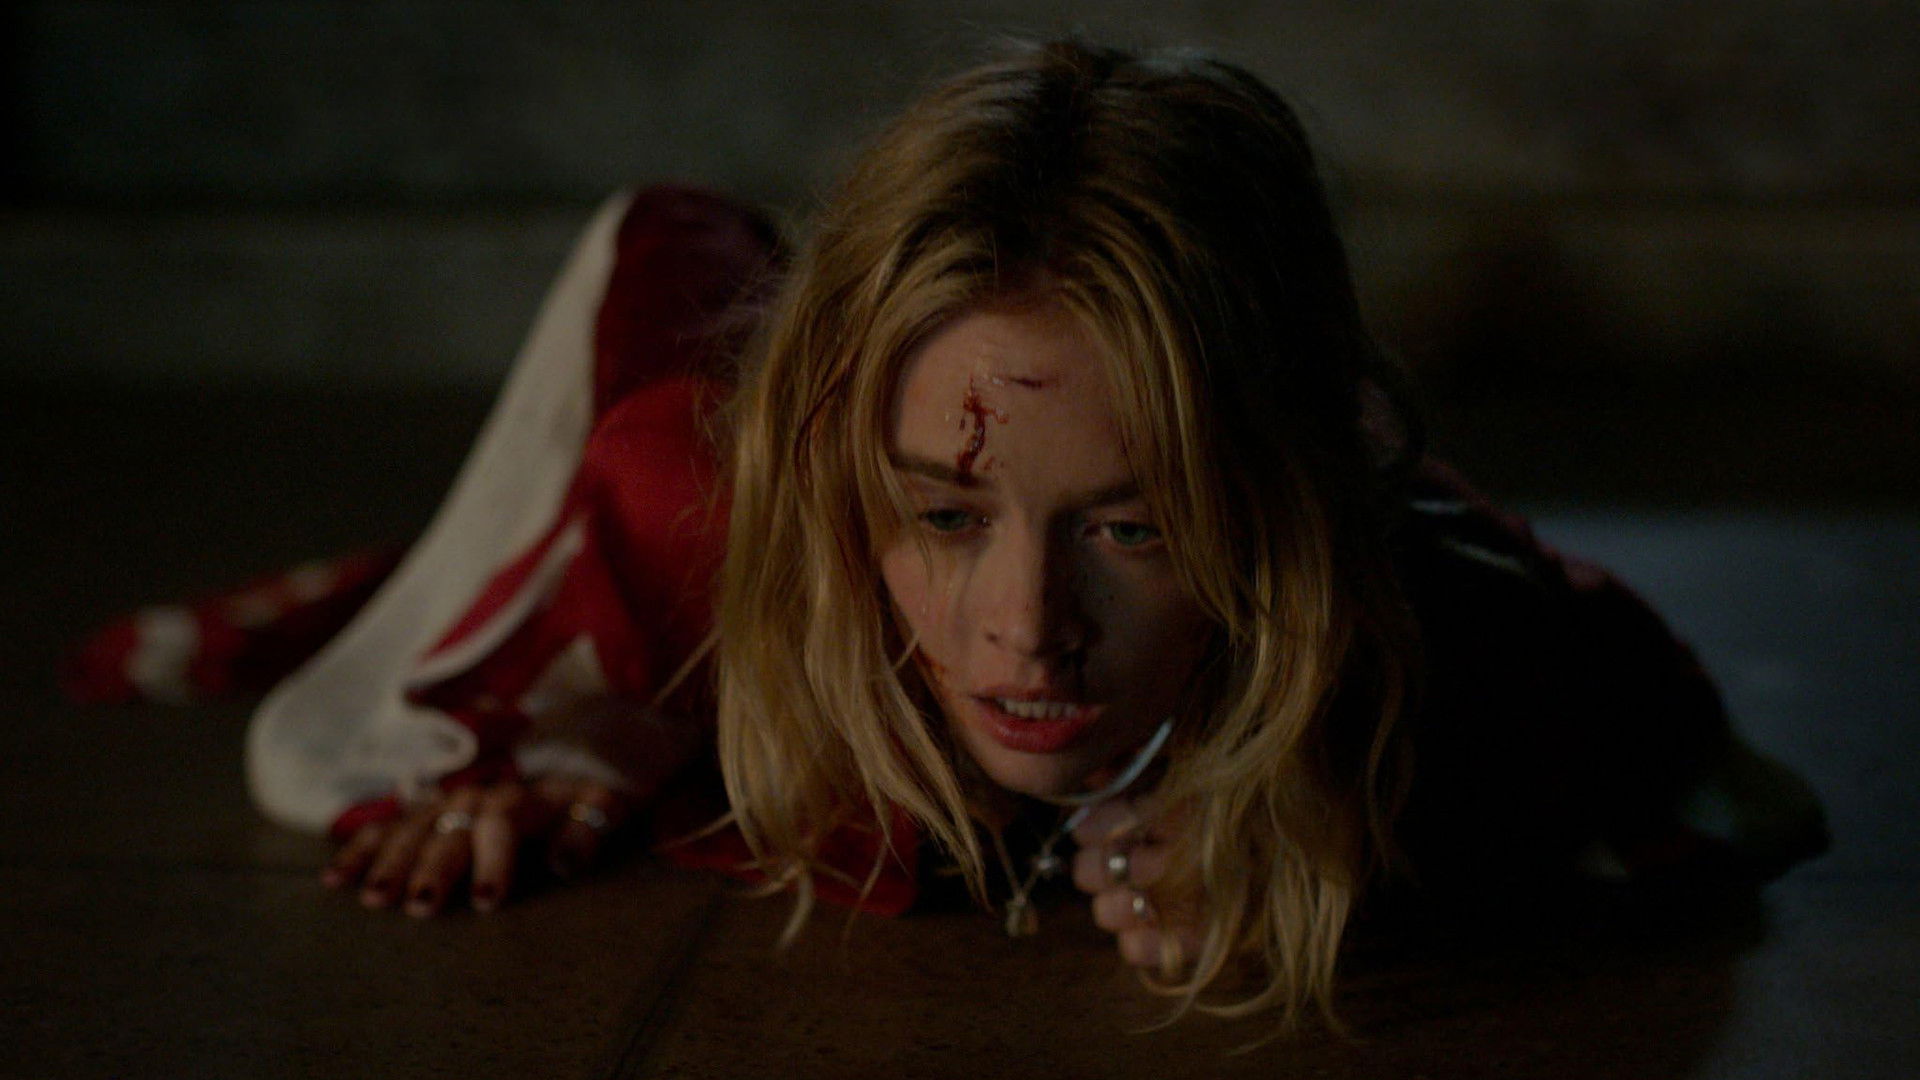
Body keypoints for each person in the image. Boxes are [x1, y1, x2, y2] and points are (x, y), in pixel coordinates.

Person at [220, 40, 1824, 1031]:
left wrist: (1346, 819)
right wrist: (565, 721)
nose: (1025, 632)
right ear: (843, 487)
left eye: (1135, 527)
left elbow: (1730, 781)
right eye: (945, 516)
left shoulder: (1412, 580)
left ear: (1278, 507)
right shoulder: (714, 494)